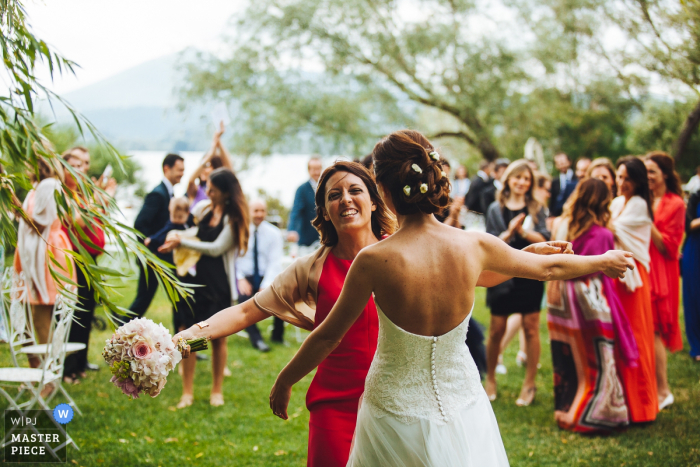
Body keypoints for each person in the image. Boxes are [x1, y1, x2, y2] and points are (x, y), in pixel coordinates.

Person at [267, 130, 634, 466]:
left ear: (383, 190)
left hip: (393, 410)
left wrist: (286, 379)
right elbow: (547, 269)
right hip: (463, 404)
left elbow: (329, 334)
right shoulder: (474, 244)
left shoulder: (374, 260)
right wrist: (601, 260)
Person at [173, 160, 574, 465]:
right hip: (336, 406)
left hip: (399, 404)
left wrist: (521, 257)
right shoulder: (310, 268)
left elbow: (478, 274)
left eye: (354, 190)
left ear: (373, 197)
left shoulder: (405, 251)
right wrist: (181, 339)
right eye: (333, 195)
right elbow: (244, 312)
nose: (345, 199)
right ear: (325, 210)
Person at [548, 178, 639, 432]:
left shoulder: (563, 225)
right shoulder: (603, 234)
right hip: (586, 297)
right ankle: (590, 415)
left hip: (559, 294)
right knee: (596, 357)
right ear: (603, 202)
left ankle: (564, 409)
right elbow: (600, 272)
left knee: (565, 353)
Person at [160, 168, 249, 408]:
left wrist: (182, 240)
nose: (207, 191)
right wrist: (176, 236)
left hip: (218, 286)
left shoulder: (233, 218)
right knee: (190, 336)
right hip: (196, 284)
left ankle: (216, 390)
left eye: (212, 189)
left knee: (218, 339)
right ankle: (187, 392)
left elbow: (215, 248)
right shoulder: (205, 210)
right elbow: (196, 234)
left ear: (225, 192)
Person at [484, 160, 551, 405]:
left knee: (531, 328)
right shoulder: (494, 208)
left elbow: (545, 238)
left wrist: (523, 233)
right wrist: (509, 233)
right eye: (517, 178)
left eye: (526, 179)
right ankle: (490, 378)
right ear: (509, 179)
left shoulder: (537, 207)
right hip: (501, 273)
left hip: (530, 273)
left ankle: (529, 384)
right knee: (496, 329)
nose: (522, 182)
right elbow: (489, 241)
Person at [14, 158, 76, 368]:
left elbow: (39, 225)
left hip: (45, 254)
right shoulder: (37, 187)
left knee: (40, 313)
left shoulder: (49, 185)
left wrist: (13, 201)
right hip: (30, 253)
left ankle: (48, 373)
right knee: (20, 314)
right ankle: (38, 368)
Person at [611, 156, 657, 423]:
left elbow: (611, 227)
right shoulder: (617, 202)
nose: (621, 183)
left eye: (627, 178)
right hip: (617, 276)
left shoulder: (639, 205)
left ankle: (642, 406)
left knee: (636, 336)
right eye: (619, 177)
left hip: (634, 278)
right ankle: (623, 403)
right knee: (619, 337)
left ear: (638, 181)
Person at [644, 151, 686, 411]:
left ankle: (663, 389)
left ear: (665, 175)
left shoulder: (675, 204)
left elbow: (670, 247)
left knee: (656, 329)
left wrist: (648, 223)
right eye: (645, 172)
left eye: (652, 172)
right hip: (642, 266)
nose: (648, 177)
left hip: (661, 269)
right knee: (644, 329)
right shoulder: (642, 199)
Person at [60, 150, 107, 383]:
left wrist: (99, 204)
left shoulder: (81, 195)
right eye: (74, 166)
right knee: (74, 314)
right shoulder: (64, 195)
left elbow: (96, 219)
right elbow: (78, 220)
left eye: (82, 165)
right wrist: (95, 204)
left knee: (86, 312)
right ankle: (68, 367)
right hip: (73, 260)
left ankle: (79, 363)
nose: (80, 170)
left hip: (88, 261)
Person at [127, 153, 185, 319]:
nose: (182, 173)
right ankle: (122, 329)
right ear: (167, 168)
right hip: (153, 257)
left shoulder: (169, 193)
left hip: (160, 256)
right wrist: (151, 249)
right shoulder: (158, 195)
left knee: (174, 297)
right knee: (143, 300)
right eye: (179, 170)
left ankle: (181, 332)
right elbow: (140, 224)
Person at [237, 199, 284, 351]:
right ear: (249, 212)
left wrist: (266, 285)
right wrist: (240, 278)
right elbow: (233, 258)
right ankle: (256, 339)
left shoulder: (274, 233)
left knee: (282, 297)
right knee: (243, 300)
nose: (259, 214)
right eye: (256, 211)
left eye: (262, 211)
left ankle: (277, 335)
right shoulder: (240, 231)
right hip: (246, 277)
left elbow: (275, 262)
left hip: (267, 276)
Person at [186, 123, 233, 206]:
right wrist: (211, 153)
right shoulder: (196, 190)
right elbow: (191, 180)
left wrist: (218, 141)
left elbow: (229, 169)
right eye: (203, 165)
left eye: (207, 166)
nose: (203, 169)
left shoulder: (221, 192)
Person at [287, 157, 323, 254]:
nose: (316, 172)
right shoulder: (302, 189)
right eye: (313, 169)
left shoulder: (326, 187)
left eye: (318, 168)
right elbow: (296, 211)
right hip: (306, 240)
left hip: (324, 239)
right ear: (308, 170)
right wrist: (292, 229)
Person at [682, 189, 700, 361]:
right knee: (694, 296)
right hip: (695, 249)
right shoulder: (696, 196)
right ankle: (697, 346)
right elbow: (688, 225)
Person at [550, 153, 578, 217]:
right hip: (559, 214)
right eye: (558, 163)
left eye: (563, 162)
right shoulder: (554, 181)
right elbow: (553, 199)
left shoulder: (577, 177)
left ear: (569, 162)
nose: (561, 165)